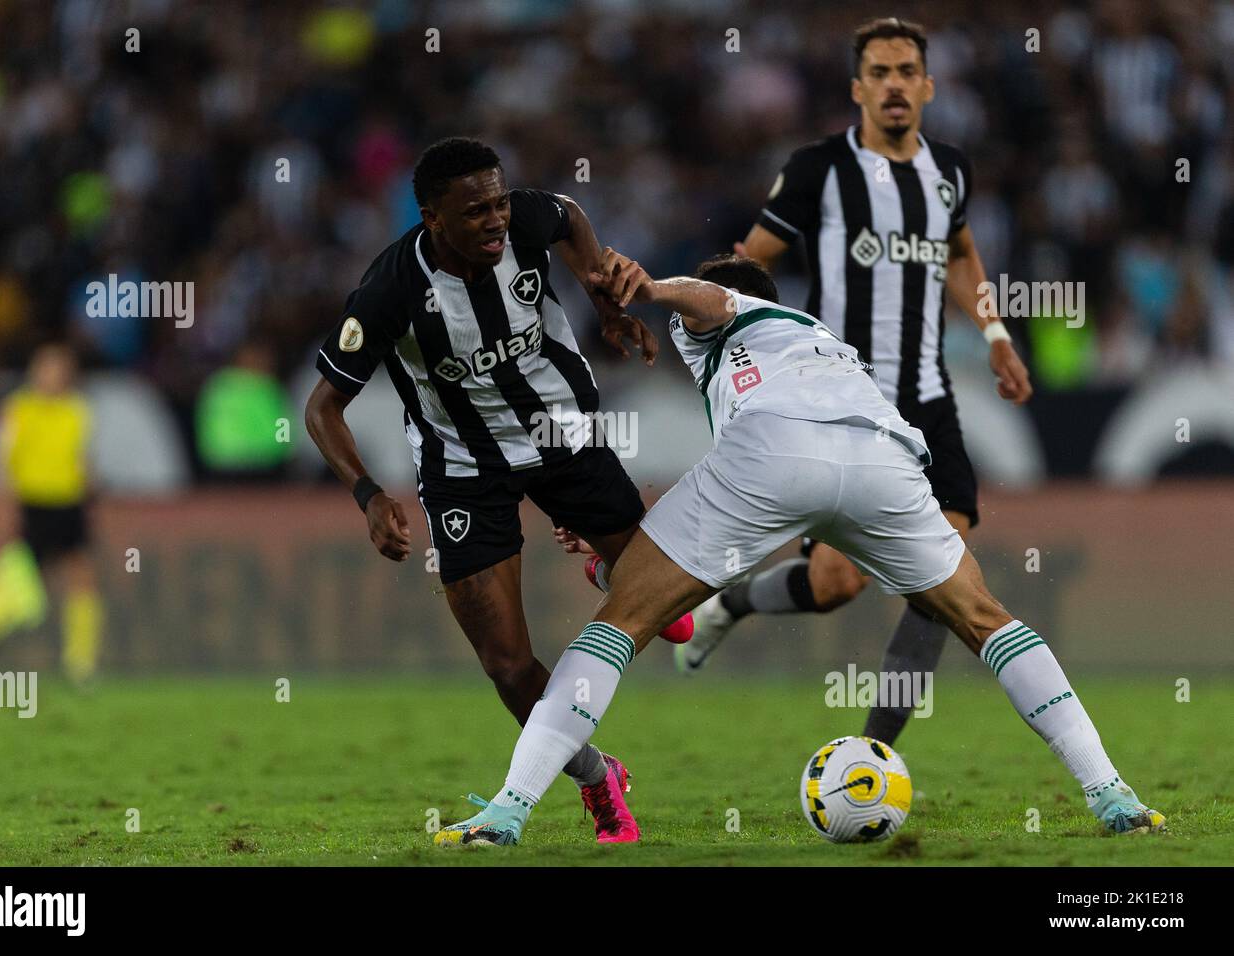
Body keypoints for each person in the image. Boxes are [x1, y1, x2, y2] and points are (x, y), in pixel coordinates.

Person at [436, 250, 1163, 846]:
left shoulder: (726, 318)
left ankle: (507, 811)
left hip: (774, 453)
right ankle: (1111, 794)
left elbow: (711, 302)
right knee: (986, 618)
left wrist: (655, 288)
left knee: (617, 623)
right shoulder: (820, 336)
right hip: (881, 459)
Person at [304, 137, 690, 844]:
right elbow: (321, 407)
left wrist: (601, 291)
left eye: (500, 202)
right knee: (508, 664)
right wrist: (367, 495)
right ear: (433, 219)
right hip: (463, 468)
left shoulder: (531, 221)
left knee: (677, 610)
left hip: (561, 439)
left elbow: (570, 214)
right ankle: (600, 781)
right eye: (475, 210)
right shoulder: (390, 291)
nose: (496, 221)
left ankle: (612, 562)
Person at [679, 17, 1033, 750]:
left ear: (928, 86)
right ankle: (736, 601)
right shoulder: (818, 171)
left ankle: (874, 752)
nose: (895, 84)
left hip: (929, 400)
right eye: (880, 72)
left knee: (946, 578)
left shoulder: (951, 172)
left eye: (908, 70)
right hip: (847, 405)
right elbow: (748, 268)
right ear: (857, 87)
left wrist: (995, 334)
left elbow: (962, 253)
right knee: (838, 585)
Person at [0, 342, 104, 685]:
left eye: (60, 369)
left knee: (81, 577)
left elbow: (81, 457)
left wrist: (89, 484)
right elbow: (2, 462)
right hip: (32, 504)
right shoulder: (19, 409)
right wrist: (4, 507)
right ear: (35, 372)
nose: (54, 376)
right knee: (21, 583)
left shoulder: (78, 410)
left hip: (68, 504)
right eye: (48, 368)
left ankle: (80, 664)